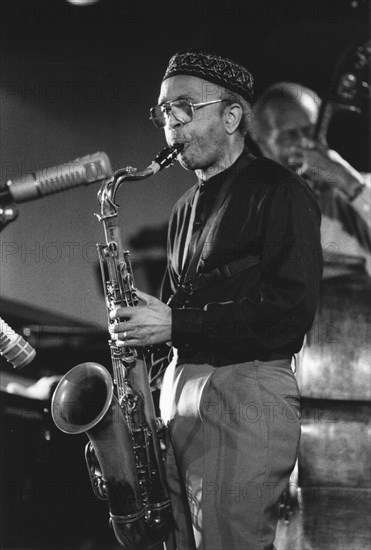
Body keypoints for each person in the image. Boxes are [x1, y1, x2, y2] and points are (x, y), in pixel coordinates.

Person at [109, 50, 323, 550]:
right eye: (164, 111)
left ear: (231, 116)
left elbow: (290, 313)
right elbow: (175, 310)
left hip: (246, 391)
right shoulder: (184, 207)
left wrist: (177, 325)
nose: (171, 125)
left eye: (184, 107)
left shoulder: (281, 191)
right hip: (180, 393)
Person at [251, 82, 370, 277]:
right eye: (290, 135)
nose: (305, 143)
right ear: (262, 142)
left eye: (310, 131)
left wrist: (348, 182)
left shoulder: (363, 185)